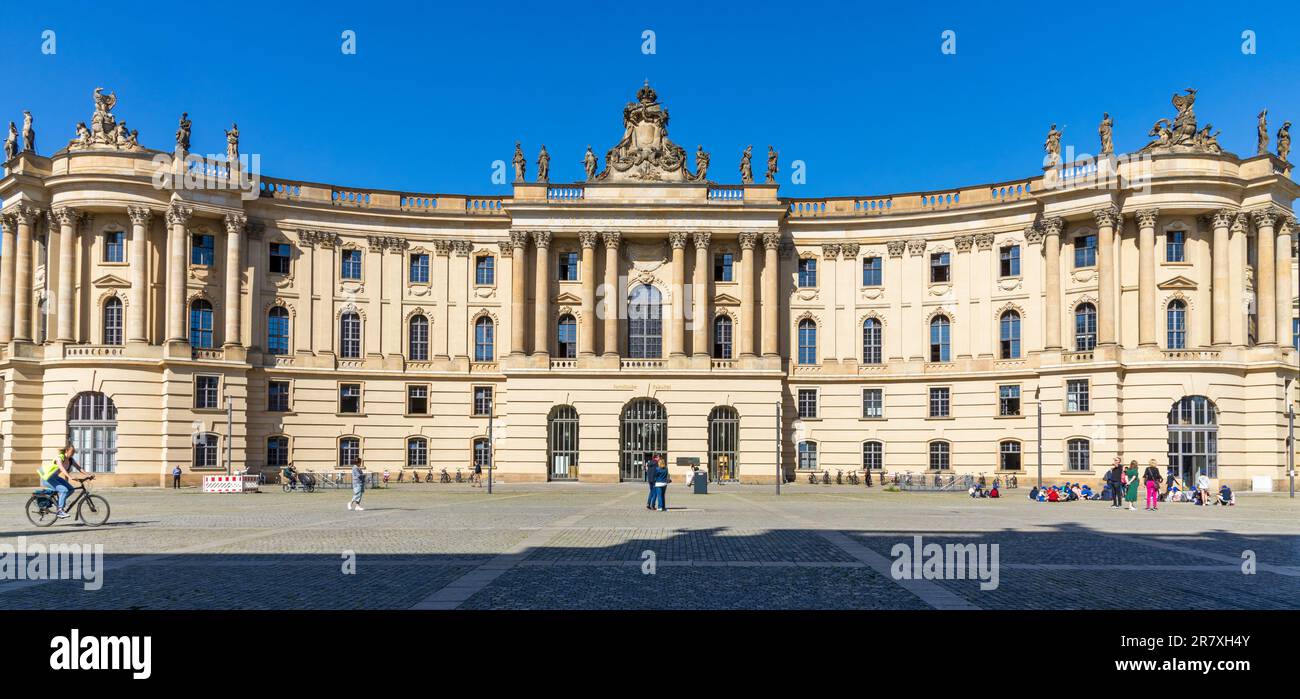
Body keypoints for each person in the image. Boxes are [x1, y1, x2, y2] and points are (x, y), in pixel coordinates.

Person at [38, 444, 84, 519]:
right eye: (71, 452)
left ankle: (60, 503)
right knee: (64, 490)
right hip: (47, 478)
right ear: (66, 451)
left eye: (73, 452)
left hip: (55, 477)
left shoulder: (70, 460)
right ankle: (60, 511)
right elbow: (62, 469)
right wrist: (70, 477)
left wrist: (88, 475)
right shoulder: (59, 458)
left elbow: (79, 468)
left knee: (71, 489)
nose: (72, 454)